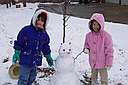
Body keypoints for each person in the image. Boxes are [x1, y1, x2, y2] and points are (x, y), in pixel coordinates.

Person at [12, 9, 53, 85]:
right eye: (39, 19)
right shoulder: (26, 30)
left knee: (32, 77)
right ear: (35, 19)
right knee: (23, 78)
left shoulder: (44, 34)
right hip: (25, 59)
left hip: (35, 61)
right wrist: (17, 52)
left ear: (45, 23)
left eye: (42, 21)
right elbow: (19, 42)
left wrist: (48, 56)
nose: (40, 22)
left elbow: (45, 46)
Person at [83, 13, 113, 85]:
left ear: (101, 25)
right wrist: (86, 49)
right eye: (94, 24)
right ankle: (94, 83)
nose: (95, 27)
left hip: (103, 63)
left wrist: (109, 62)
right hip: (93, 61)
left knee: (103, 77)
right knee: (93, 76)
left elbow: (109, 50)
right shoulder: (88, 35)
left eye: (97, 24)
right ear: (91, 24)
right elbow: (86, 44)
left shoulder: (106, 36)